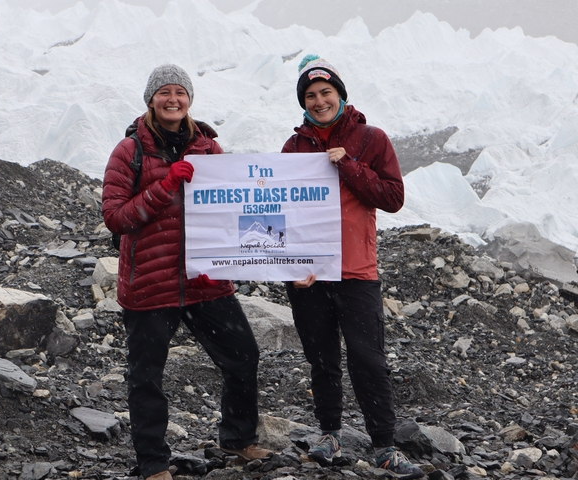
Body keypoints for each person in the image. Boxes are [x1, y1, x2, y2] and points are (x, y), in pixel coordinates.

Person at [102, 64, 271, 480]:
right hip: (150, 285)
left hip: (206, 281)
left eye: (180, 92)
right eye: (164, 93)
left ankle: (238, 438)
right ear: (150, 100)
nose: (172, 99)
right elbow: (115, 217)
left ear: (189, 99)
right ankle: (154, 463)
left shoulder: (209, 148)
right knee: (147, 377)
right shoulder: (130, 151)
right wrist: (165, 187)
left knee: (242, 356)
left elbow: (233, 208)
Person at [281, 54, 425, 480]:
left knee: (368, 359)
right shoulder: (294, 147)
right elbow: (282, 210)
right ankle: (329, 433)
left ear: (340, 94)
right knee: (320, 358)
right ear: (303, 102)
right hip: (309, 272)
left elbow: (392, 196)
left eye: (326, 92)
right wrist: (289, 263)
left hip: (357, 270)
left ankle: (384, 444)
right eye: (310, 95)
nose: (320, 100)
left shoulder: (371, 138)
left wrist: (346, 163)